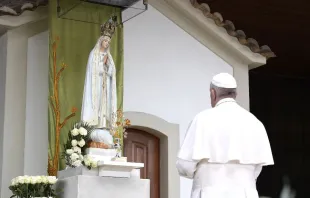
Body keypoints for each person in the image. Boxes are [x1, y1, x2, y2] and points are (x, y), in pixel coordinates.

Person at [176, 73, 274, 198]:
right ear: (235, 94)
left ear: (213, 93)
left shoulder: (201, 120)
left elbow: (185, 166)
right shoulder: (255, 122)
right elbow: (257, 169)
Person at [81, 18, 117, 148]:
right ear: (101, 41)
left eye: (108, 42)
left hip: (105, 87)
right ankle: (96, 126)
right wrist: (102, 66)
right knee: (97, 107)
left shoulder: (109, 57)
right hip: (96, 88)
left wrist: (108, 66)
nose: (106, 44)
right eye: (105, 41)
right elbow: (93, 71)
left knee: (105, 107)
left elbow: (113, 72)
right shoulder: (94, 54)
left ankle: (103, 125)